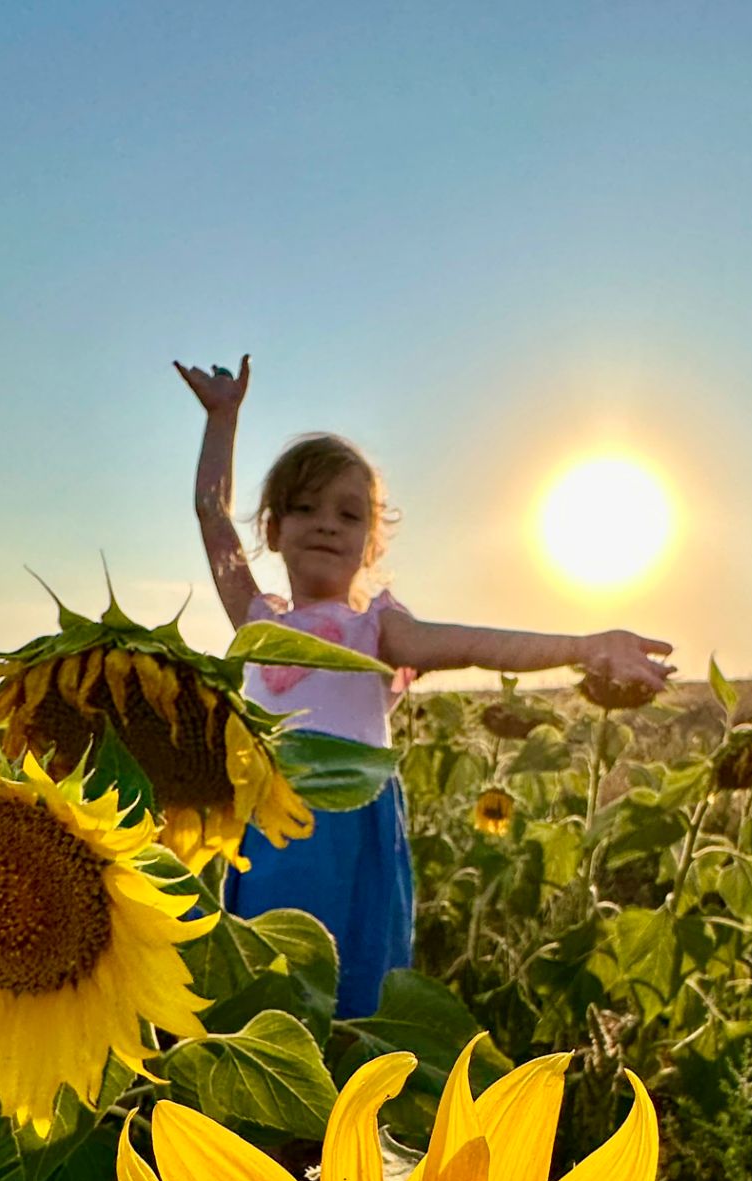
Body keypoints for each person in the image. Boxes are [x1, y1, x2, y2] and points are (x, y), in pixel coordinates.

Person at [175, 355, 675, 1018]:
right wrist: (223, 419)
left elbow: (472, 644)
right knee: (266, 974)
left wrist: (583, 647)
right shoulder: (258, 621)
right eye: (304, 508)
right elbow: (212, 515)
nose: (326, 523)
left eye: (348, 514)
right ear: (273, 529)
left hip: (353, 823)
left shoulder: (378, 629)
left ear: (369, 543)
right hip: (271, 818)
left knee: (354, 990)